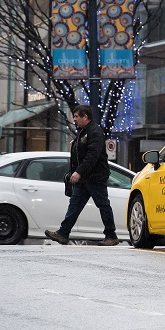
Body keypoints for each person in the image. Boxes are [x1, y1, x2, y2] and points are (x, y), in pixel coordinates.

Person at [45, 105, 119, 246]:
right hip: (85, 178)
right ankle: (63, 233)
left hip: (95, 177)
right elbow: (80, 155)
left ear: (86, 116)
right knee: (74, 205)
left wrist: (78, 172)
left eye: (77, 116)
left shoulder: (95, 132)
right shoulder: (83, 132)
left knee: (103, 205)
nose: (74, 120)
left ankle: (111, 235)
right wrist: (76, 172)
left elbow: (92, 156)